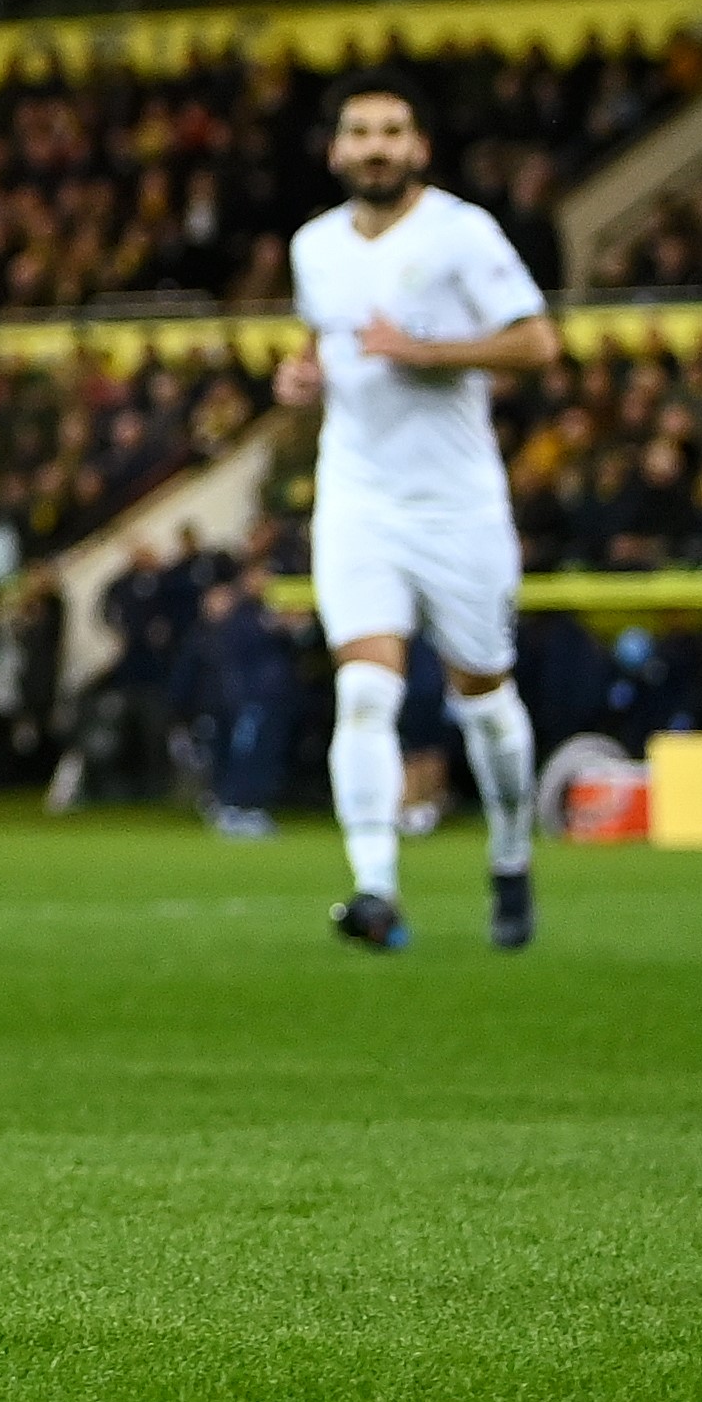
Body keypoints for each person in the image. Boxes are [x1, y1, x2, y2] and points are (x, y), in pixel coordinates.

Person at [271, 75, 558, 953]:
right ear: (335, 151)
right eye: (359, 132)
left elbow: (536, 343)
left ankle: (510, 852)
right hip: (357, 497)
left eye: (392, 131)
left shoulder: (462, 233)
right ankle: (373, 889)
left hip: (457, 503)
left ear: (419, 148)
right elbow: (323, 343)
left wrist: (426, 352)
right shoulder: (313, 245)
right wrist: (298, 382)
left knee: (482, 693)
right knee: (363, 688)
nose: (375, 147)